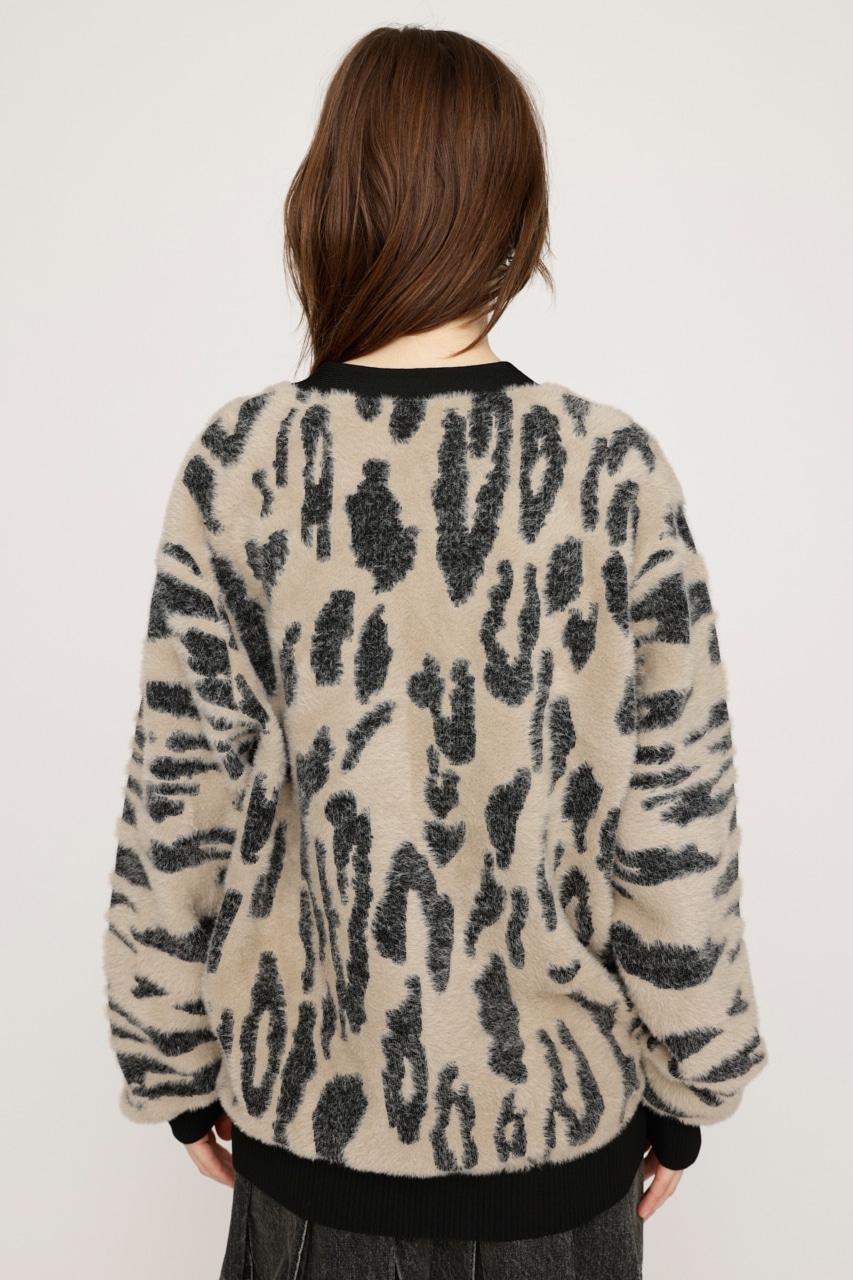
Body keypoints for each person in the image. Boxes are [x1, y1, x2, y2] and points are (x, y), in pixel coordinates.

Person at [101, 23, 769, 1280]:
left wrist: (172, 1062)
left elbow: (177, 798)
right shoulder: (611, 473)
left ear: (327, 201)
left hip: (312, 1149)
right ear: (514, 219)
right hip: (559, 1155)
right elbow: (675, 819)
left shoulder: (242, 465)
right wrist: (690, 1080)